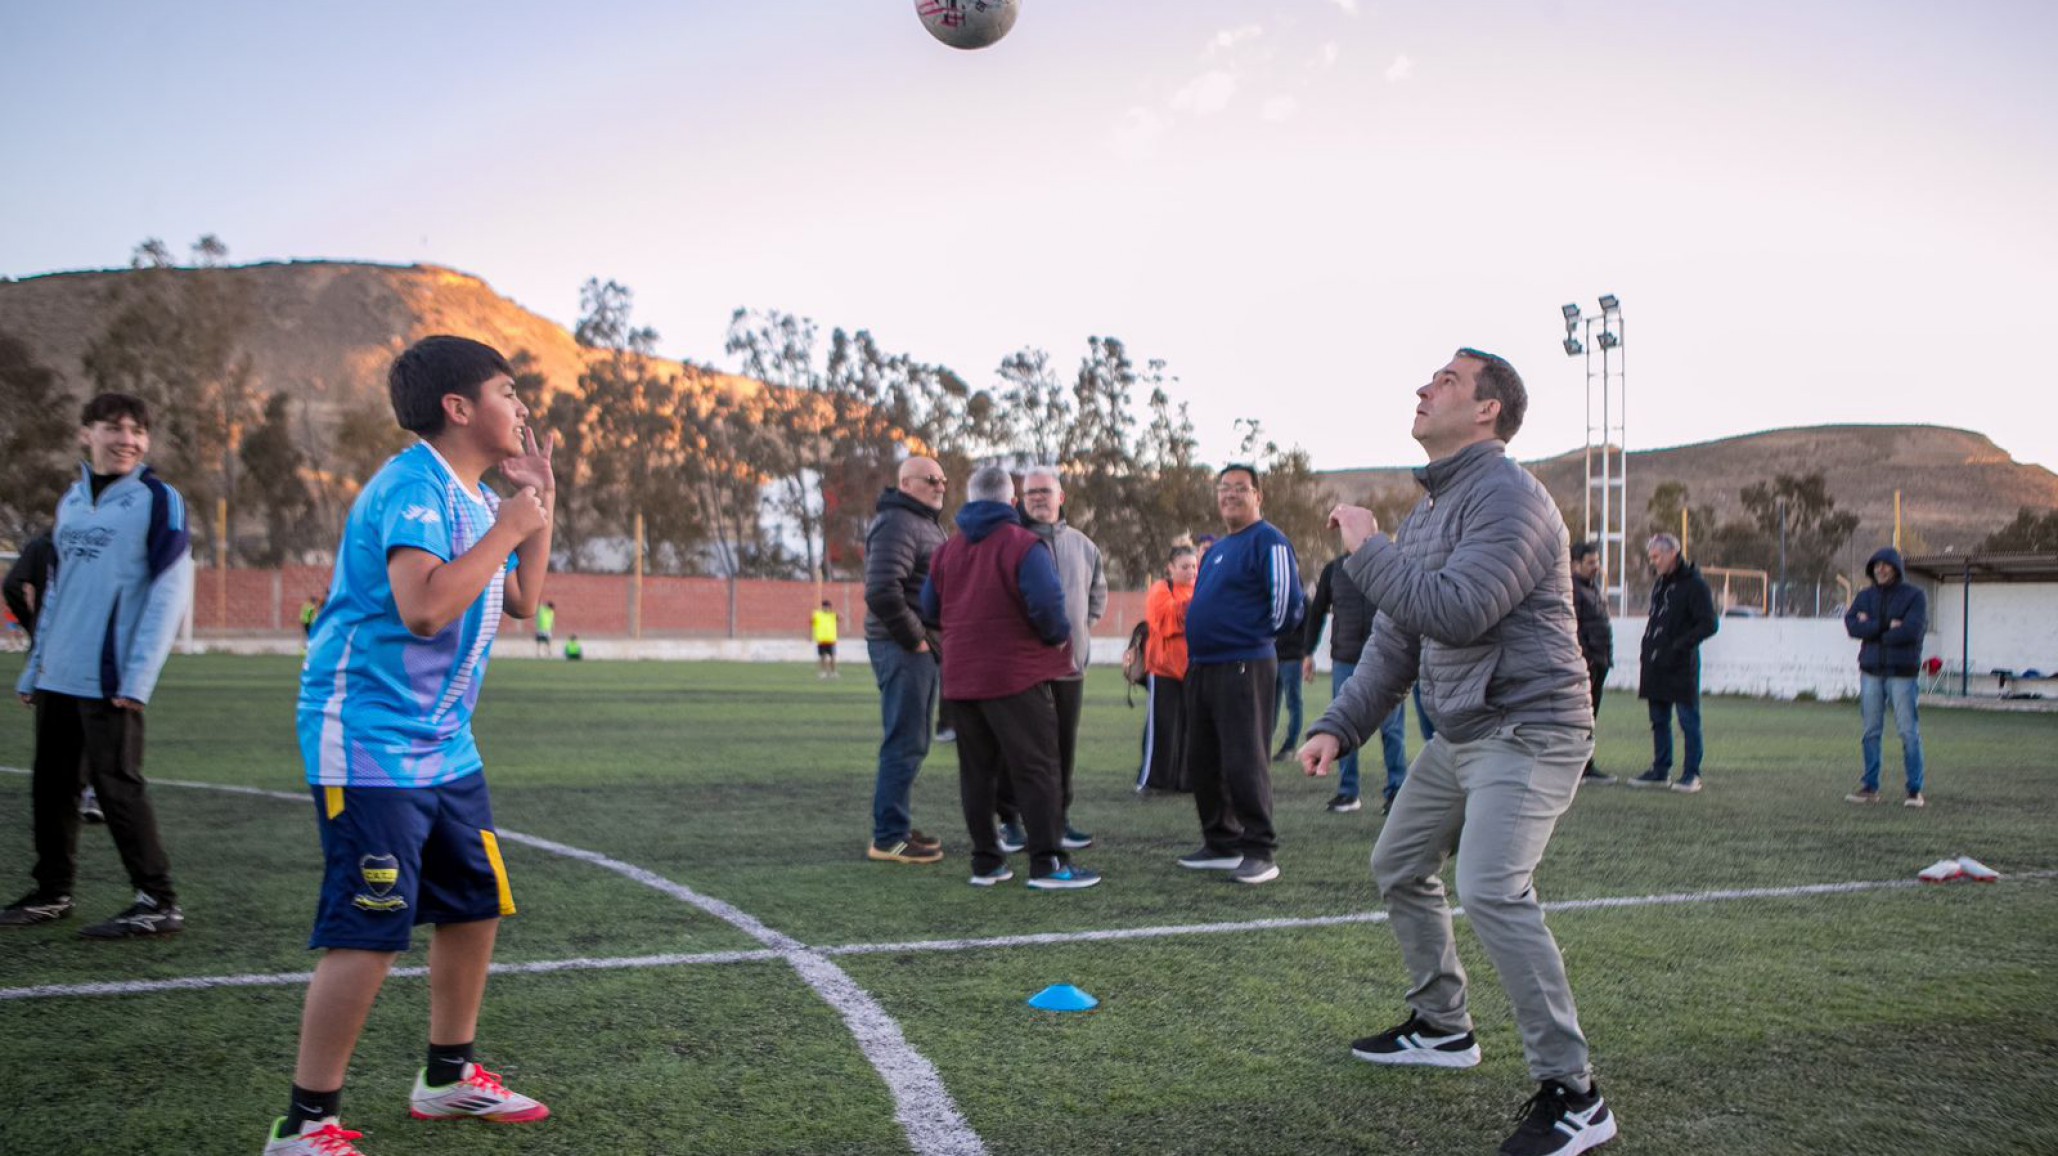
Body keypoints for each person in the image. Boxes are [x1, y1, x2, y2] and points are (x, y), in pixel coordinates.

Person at [1300, 348, 1615, 1156]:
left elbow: (1463, 611)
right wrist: (1341, 725)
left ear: (1487, 410)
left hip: (1532, 727)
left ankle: (1576, 1096)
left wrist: (1368, 552)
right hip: (1465, 731)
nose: (1422, 386)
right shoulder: (1434, 512)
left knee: (1491, 887)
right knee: (1398, 864)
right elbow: (1397, 644)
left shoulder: (1513, 499)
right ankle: (1444, 1026)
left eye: (1444, 379)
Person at [265, 336, 557, 1155]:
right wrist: (508, 526)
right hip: (368, 742)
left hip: (444, 744)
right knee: (371, 925)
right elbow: (424, 608)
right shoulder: (415, 485)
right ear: (459, 408)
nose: (522, 406)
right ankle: (305, 1125)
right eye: (507, 391)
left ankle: (447, 1077)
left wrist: (538, 507)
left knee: (473, 902)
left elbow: (525, 602)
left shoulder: (473, 495)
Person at [4, 391, 194, 937]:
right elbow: (57, 591)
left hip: (111, 676)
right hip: (60, 670)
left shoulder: (159, 500)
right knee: (52, 785)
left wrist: (138, 677)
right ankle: (52, 892)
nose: (126, 439)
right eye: (113, 427)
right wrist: (34, 666)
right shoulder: (72, 502)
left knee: (117, 786)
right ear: (86, 433)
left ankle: (158, 899)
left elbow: (168, 591)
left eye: (136, 430)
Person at [920, 466, 1099, 891]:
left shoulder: (948, 551)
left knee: (977, 773)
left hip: (962, 680)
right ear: (1012, 501)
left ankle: (986, 861)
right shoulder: (1024, 545)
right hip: (1017, 676)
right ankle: (1047, 862)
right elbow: (1050, 612)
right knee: (1038, 768)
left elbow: (928, 609)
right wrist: (1054, 640)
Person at [1177, 464, 1304, 886]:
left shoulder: (1269, 541)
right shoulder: (1215, 550)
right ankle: (1221, 842)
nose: (1230, 495)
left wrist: (1253, 638)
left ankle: (1259, 849)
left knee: (1244, 757)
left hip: (1244, 665)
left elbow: (1288, 606)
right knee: (1204, 758)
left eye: (1240, 488)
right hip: (1203, 667)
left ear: (1258, 496)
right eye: (1223, 488)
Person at [1008, 466, 1106, 851]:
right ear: (1019, 500)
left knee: (1063, 748)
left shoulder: (1083, 546)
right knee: (1020, 749)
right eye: (1031, 493)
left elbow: (1097, 596)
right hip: (1022, 671)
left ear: (1060, 497)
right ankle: (1011, 821)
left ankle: (1059, 819)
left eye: (1045, 492)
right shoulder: (1010, 542)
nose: (1038, 498)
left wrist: (1077, 631)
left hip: (1069, 668)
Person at [863, 456, 950, 865]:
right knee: (905, 740)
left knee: (912, 740)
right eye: (931, 479)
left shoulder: (923, 524)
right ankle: (889, 838)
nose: (940, 486)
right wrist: (915, 639)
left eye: (943, 480)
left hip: (917, 648)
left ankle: (895, 826)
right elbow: (882, 591)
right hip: (903, 648)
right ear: (906, 483)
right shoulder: (898, 523)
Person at [1304, 552, 1408, 814]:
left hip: (1387, 660)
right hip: (1345, 659)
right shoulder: (1334, 569)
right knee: (1342, 728)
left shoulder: (1391, 563)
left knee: (1392, 731)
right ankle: (1348, 793)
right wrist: (1308, 652)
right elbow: (1317, 611)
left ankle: (1398, 792)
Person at [1627, 533, 1718, 794]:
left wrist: (1680, 645)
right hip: (1656, 663)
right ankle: (1660, 770)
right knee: (1658, 719)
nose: (1653, 562)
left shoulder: (1695, 585)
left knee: (1688, 720)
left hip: (1681, 665)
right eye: (1652, 557)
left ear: (1672, 554)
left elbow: (1709, 623)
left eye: (1657, 556)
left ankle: (1691, 774)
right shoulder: (1660, 584)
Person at [1843, 546, 1928, 807]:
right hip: (1871, 671)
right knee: (1870, 731)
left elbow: (1911, 632)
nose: (1880, 569)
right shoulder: (1865, 596)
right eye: (1876, 565)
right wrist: (1885, 625)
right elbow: (1852, 625)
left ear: (1896, 568)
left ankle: (1914, 790)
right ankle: (1870, 787)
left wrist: (1872, 628)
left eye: (1885, 565)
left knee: (1907, 731)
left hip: (1902, 674)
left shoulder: (1915, 596)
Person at [1136, 543, 1198, 793]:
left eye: (1194, 566)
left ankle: (1185, 780)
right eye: (1185, 566)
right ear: (1170, 568)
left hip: (1193, 669)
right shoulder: (1161, 589)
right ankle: (1153, 780)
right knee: (1162, 728)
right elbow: (1165, 621)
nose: (1191, 571)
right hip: (1163, 670)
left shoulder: (1200, 589)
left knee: (1190, 730)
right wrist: (1194, 609)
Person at [1569, 541, 1616, 785]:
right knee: (1580, 717)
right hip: (1587, 664)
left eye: (1597, 562)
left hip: (1600, 661)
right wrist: (1584, 658)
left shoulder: (1592, 588)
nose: (1596, 567)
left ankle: (1586, 765)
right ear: (1575, 565)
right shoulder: (1573, 590)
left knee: (1590, 717)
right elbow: (1572, 627)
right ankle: (1576, 767)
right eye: (1591, 563)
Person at [1271, 597, 1308, 762]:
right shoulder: (1274, 596)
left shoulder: (1301, 600)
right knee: (1270, 704)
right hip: (1273, 657)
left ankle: (1290, 746)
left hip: (1292, 658)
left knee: (1292, 702)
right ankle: (1265, 744)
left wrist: (1304, 652)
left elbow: (1308, 628)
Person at [812, 599, 839, 679]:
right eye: (824, 607)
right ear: (822, 607)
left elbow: (841, 618)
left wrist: (835, 613)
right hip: (821, 639)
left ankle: (833, 672)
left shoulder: (833, 615)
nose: (826, 608)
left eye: (828, 607)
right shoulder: (817, 614)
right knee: (822, 657)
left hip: (831, 639)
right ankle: (823, 672)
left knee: (832, 657)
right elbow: (812, 623)